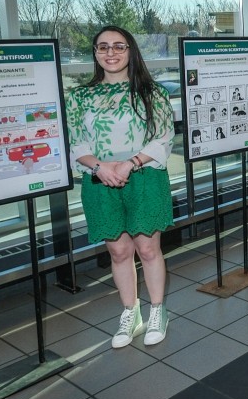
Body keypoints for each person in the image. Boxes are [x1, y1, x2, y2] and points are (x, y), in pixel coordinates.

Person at [66, 26, 174, 349]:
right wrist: (99, 167)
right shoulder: (80, 97)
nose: (110, 53)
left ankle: (158, 311)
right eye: (103, 47)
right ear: (95, 53)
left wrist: (130, 163)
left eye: (118, 46)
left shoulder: (152, 92)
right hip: (100, 180)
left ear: (130, 51)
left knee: (148, 249)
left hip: (144, 177)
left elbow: (163, 137)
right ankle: (131, 312)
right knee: (119, 251)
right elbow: (76, 144)